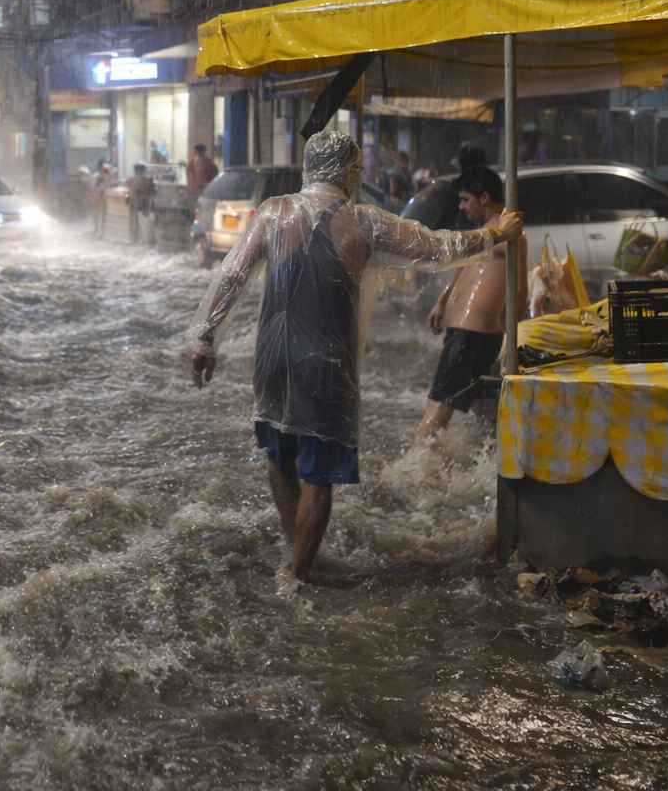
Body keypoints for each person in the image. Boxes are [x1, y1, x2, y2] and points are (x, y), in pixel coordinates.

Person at [188, 132, 522, 583]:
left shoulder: (273, 213)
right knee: (318, 475)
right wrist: (494, 234)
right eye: (356, 168)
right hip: (325, 364)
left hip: (273, 359)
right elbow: (436, 247)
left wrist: (205, 339)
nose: (358, 176)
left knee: (279, 456)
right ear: (345, 171)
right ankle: (298, 571)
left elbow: (232, 275)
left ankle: (293, 549)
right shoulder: (363, 222)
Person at [417, 166, 527, 440]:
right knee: (471, 406)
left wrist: (511, 336)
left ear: (484, 198)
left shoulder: (511, 233)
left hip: (473, 333)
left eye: (465, 200)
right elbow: (463, 265)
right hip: (464, 332)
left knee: (437, 409)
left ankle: (417, 460)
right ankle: (471, 457)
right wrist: (443, 300)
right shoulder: (486, 232)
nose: (461, 206)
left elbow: (520, 290)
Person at [128, 163, 157, 246]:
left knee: (141, 224)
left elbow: (149, 193)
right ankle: (140, 240)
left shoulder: (136, 180)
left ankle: (140, 240)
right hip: (140, 206)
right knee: (141, 224)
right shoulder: (144, 180)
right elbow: (151, 193)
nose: (138, 173)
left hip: (141, 206)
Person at [91, 161, 115, 238]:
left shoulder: (107, 179)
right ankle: (97, 231)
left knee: (102, 216)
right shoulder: (98, 178)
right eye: (106, 171)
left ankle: (101, 232)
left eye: (107, 171)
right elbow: (95, 189)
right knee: (99, 216)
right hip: (99, 199)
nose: (107, 173)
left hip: (103, 200)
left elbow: (109, 187)